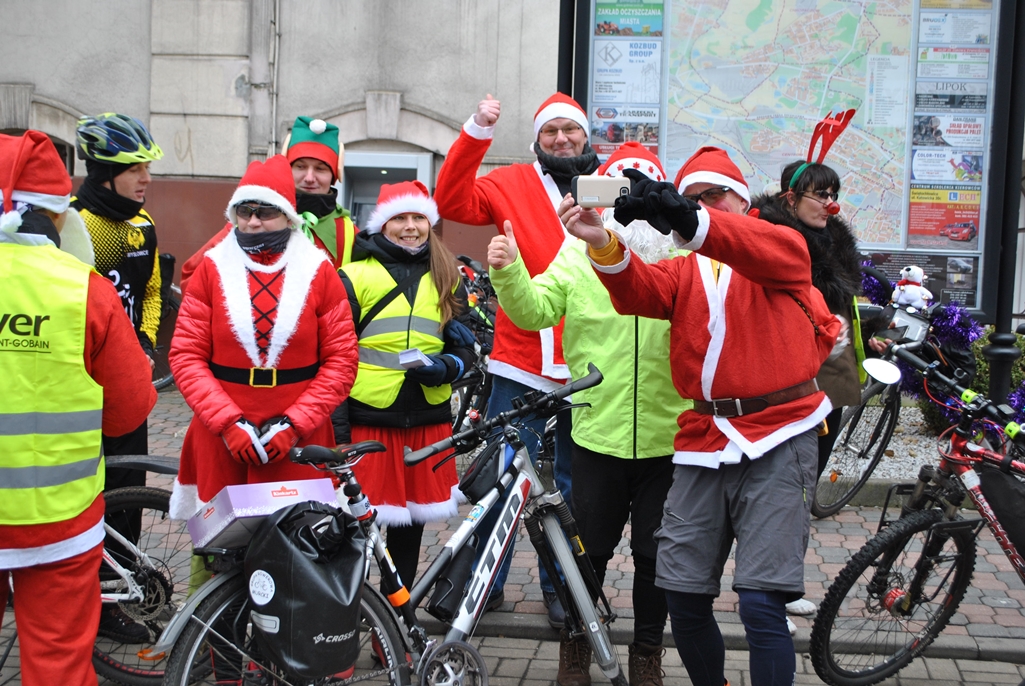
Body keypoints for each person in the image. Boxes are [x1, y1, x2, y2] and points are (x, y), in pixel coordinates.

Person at [560, 146, 841, 686]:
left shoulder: (779, 243)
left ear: (743, 199)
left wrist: (687, 216)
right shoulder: (684, 267)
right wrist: (600, 241)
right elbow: (640, 293)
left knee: (760, 603)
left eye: (715, 195)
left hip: (779, 434)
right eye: (692, 197)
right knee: (682, 596)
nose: (703, 204)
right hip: (705, 438)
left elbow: (761, 249)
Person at [487, 143, 687, 686]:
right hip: (597, 432)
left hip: (670, 438)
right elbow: (535, 311)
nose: (630, 206)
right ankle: (576, 645)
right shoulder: (578, 252)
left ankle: (647, 653)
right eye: (618, 192)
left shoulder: (681, 255)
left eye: (641, 194)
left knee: (655, 557)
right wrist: (509, 271)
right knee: (588, 552)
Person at [434, 92, 602, 626]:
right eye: (550, 131)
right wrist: (477, 130)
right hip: (520, 361)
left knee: (572, 486)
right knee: (504, 478)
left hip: (587, 363)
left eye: (570, 130)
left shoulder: (608, 186)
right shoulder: (509, 182)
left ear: (585, 137)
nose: (561, 139)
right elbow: (451, 200)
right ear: (537, 140)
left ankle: (562, 588)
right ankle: (486, 584)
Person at [0, 130, 156, 686]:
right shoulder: (80, 288)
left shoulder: (135, 233)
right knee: (59, 665)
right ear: (56, 214)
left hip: (56, 525)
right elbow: (129, 410)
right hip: (56, 523)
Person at [167, 154, 358, 521]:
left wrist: (295, 424)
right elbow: (186, 355)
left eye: (265, 211)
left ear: (288, 214)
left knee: (297, 545)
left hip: (299, 440)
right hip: (221, 437)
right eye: (244, 210)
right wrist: (227, 423)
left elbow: (342, 360)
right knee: (219, 544)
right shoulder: (211, 268)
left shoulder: (319, 271)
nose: (253, 221)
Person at [338, 180, 476, 587]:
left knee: (409, 530)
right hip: (369, 419)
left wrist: (448, 366)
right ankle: (349, 610)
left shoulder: (448, 275)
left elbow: (465, 347)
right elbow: (335, 358)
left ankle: (397, 615)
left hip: (426, 420)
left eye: (419, 217)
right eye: (400, 218)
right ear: (382, 224)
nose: (411, 226)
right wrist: (339, 431)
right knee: (354, 530)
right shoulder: (353, 276)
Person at [751, 161, 862, 619]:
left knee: (804, 483)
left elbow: (843, 306)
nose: (830, 205)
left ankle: (780, 583)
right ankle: (772, 591)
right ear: (790, 198)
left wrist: (867, 334)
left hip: (831, 375)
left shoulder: (833, 240)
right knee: (784, 489)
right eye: (820, 195)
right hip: (793, 379)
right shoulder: (778, 241)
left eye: (833, 194)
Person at [73, 112, 165, 639]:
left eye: (146, 168)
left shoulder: (142, 224)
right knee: (86, 492)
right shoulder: (74, 226)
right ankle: (83, 594)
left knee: (127, 489)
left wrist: (145, 344)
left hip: (128, 380)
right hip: (81, 385)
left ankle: (117, 598)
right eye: (135, 169)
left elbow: (150, 291)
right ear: (104, 172)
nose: (145, 178)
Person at [180, 116, 358, 292]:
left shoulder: (349, 233)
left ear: (335, 175)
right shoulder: (252, 221)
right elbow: (192, 279)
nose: (309, 178)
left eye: (320, 168)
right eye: (300, 167)